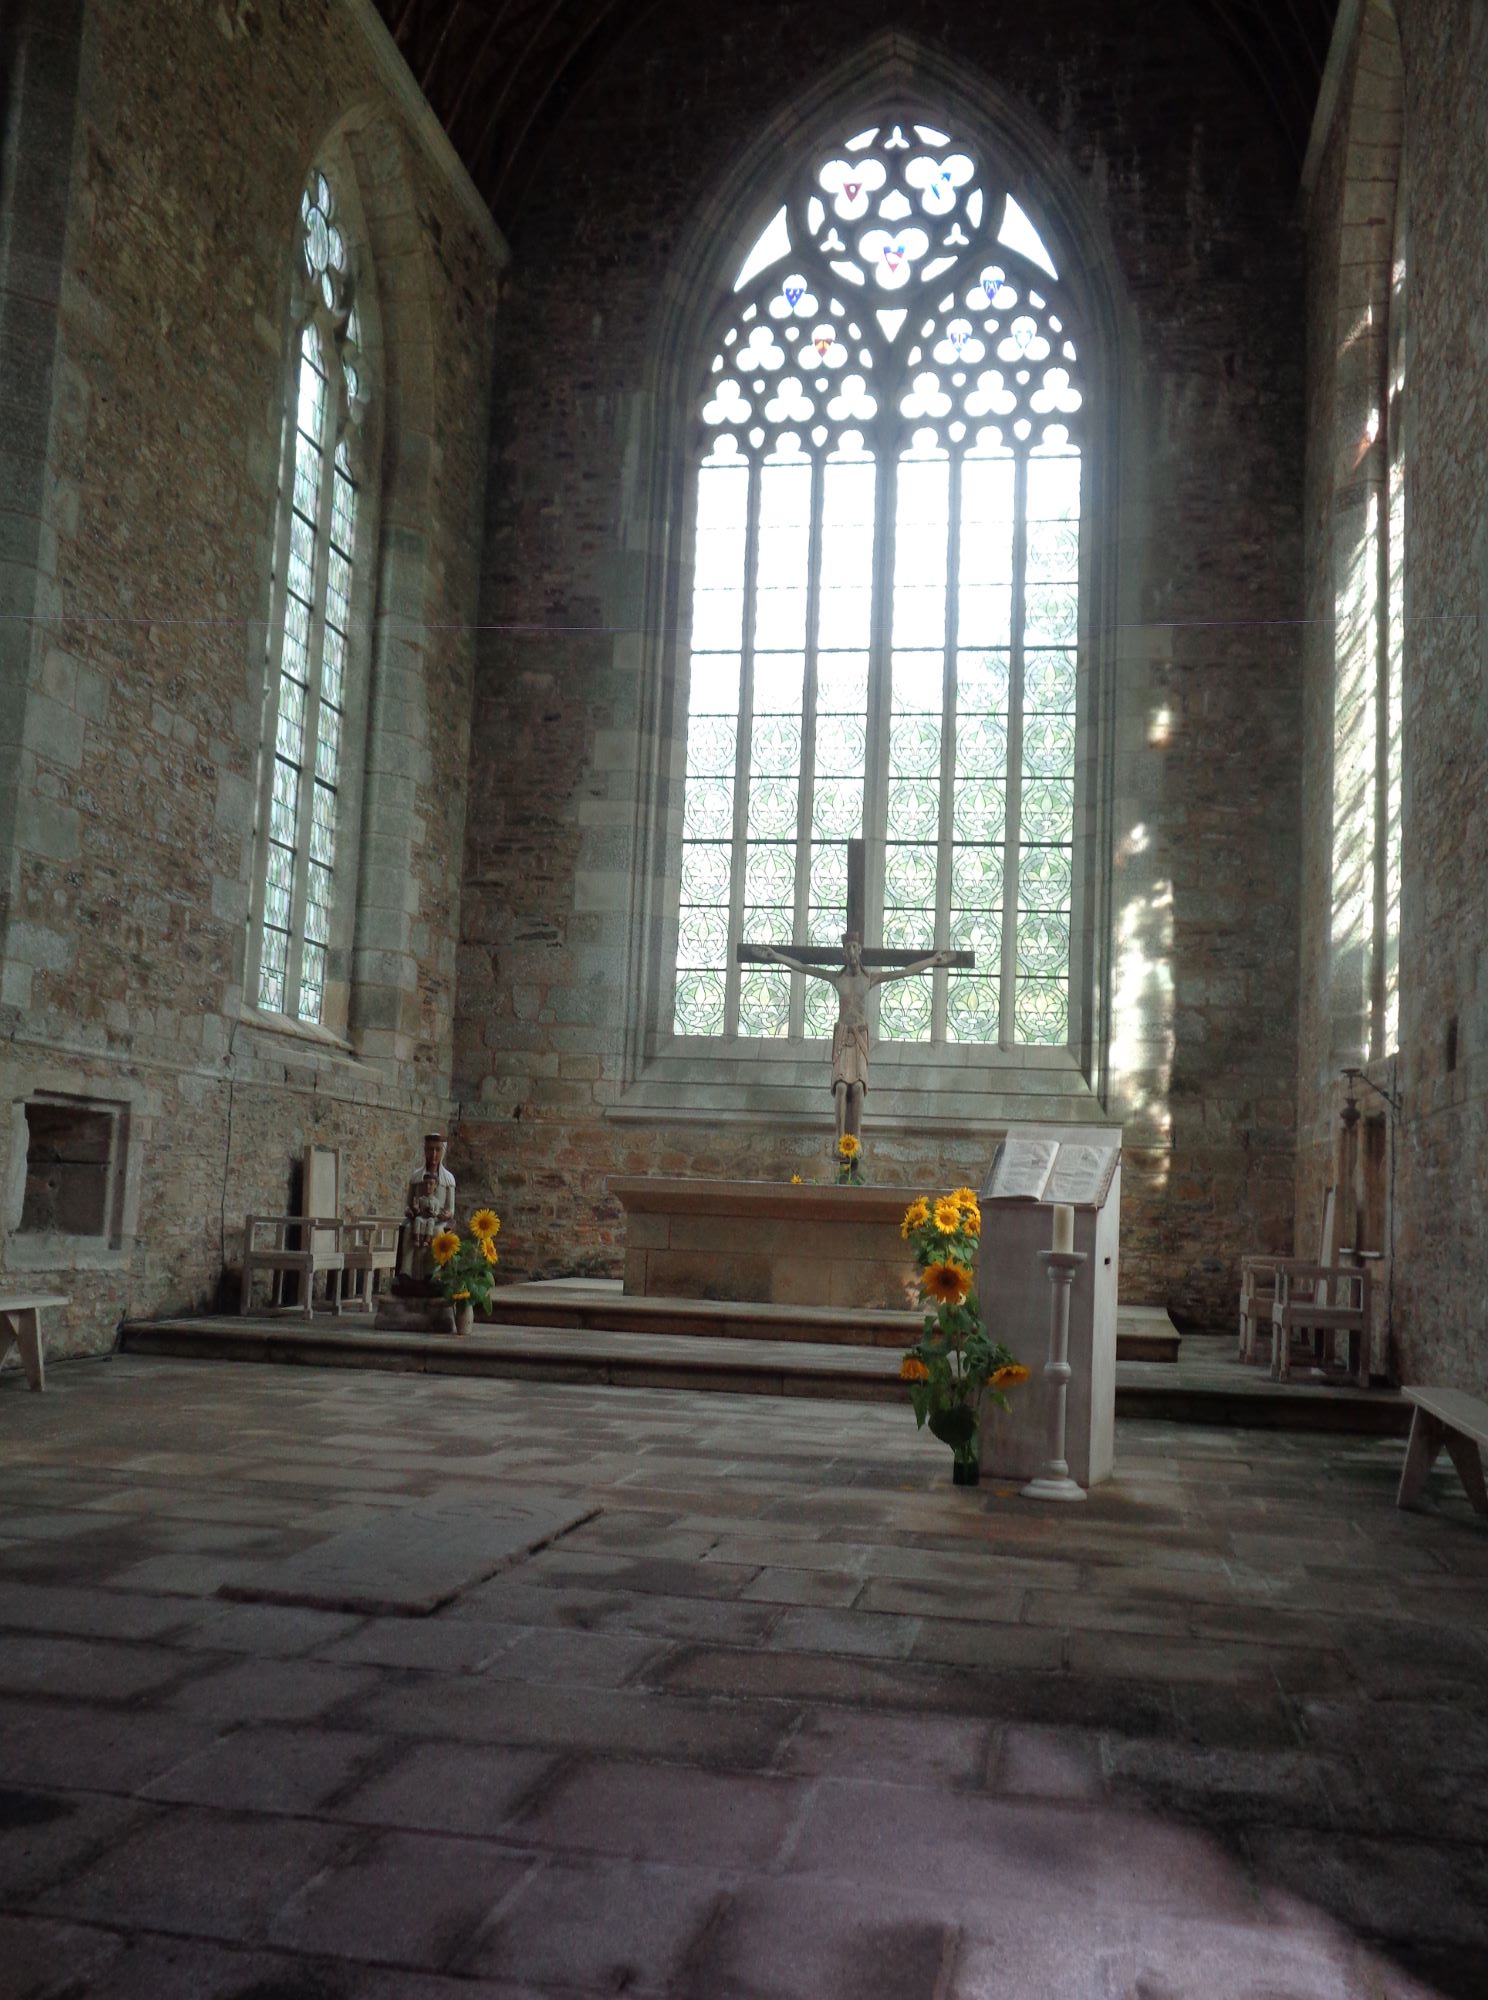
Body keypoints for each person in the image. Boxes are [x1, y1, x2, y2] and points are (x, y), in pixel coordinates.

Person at [756, 933, 955, 1143]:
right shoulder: (837, 978)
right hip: (842, 1036)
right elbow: (804, 968)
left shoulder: (869, 978)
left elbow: (904, 972)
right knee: (841, 1087)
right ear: (844, 952)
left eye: (855, 947)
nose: (852, 951)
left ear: (860, 950)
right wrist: (777, 956)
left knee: (858, 1088)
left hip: (859, 1037)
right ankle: (839, 1138)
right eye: (848, 947)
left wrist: (933, 961)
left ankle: (856, 1138)